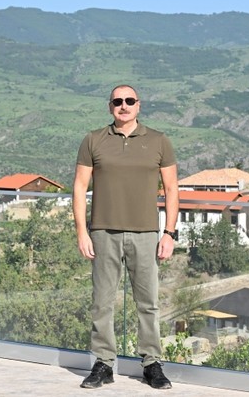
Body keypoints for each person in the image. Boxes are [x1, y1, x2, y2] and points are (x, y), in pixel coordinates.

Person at [73, 84, 179, 390]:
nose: (124, 105)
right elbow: (79, 187)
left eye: (129, 100)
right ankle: (103, 364)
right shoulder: (93, 140)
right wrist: (82, 231)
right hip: (103, 232)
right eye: (117, 101)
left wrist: (169, 232)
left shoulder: (159, 141)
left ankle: (152, 364)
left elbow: (172, 189)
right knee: (101, 302)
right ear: (110, 107)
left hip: (146, 233)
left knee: (148, 302)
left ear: (138, 105)